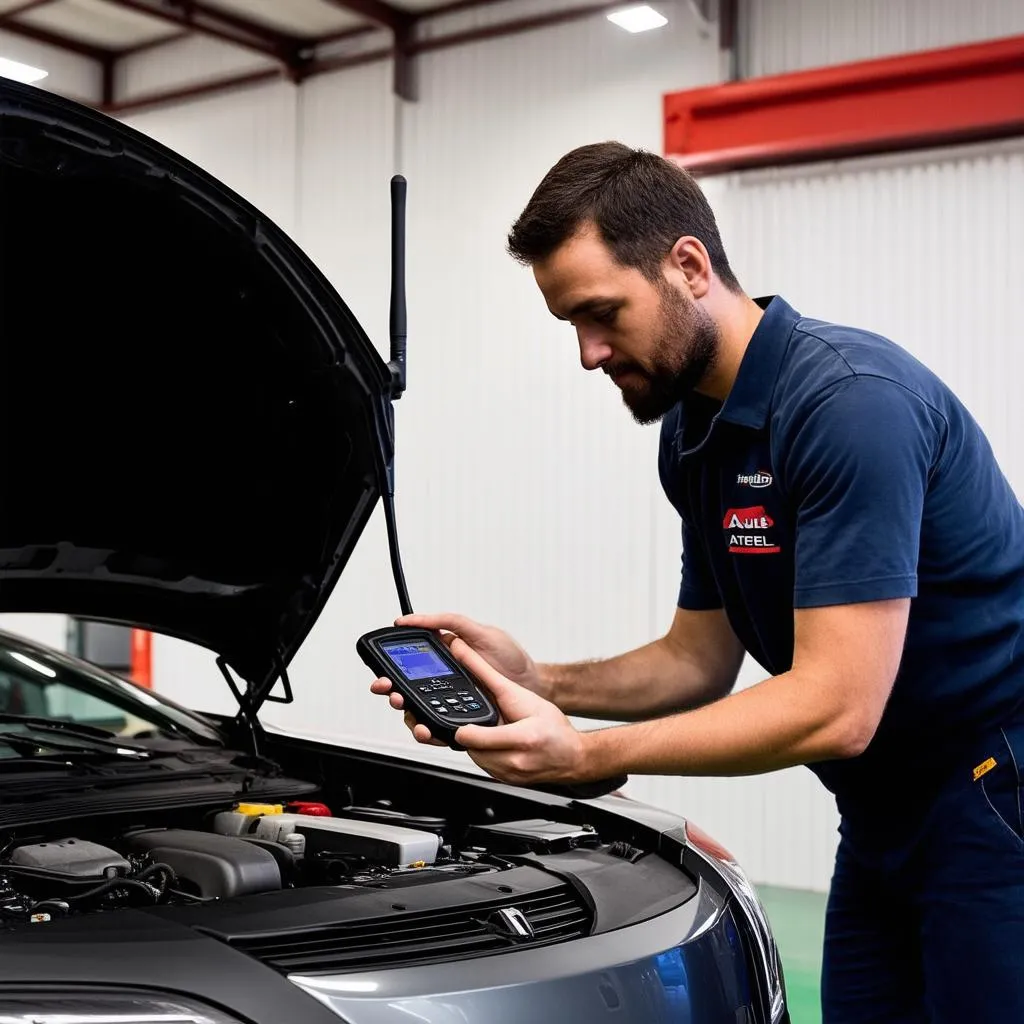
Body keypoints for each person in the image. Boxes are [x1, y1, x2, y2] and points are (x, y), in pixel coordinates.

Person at [370, 141, 1024, 1021]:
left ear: (687, 265)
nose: (589, 354)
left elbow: (838, 706)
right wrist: (538, 682)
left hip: (993, 797)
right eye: (570, 323)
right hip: (880, 815)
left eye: (602, 313)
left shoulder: (850, 406)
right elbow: (697, 659)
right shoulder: (693, 432)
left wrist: (585, 758)